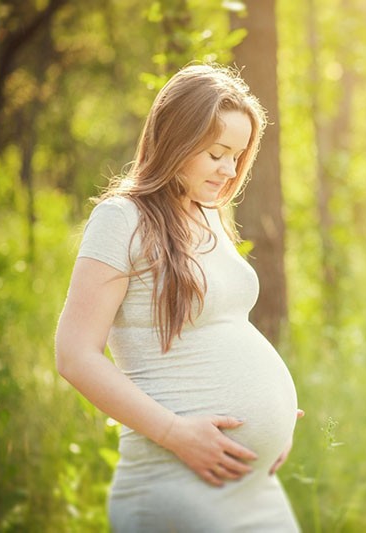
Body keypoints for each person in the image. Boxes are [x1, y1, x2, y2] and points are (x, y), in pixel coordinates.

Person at [55, 64, 302, 532]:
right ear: (176, 140)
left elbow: (217, 331)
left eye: (238, 156)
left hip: (250, 488)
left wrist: (275, 419)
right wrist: (175, 433)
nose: (230, 170)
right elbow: (74, 355)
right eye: (217, 153)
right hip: (178, 482)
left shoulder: (207, 215)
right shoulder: (121, 218)